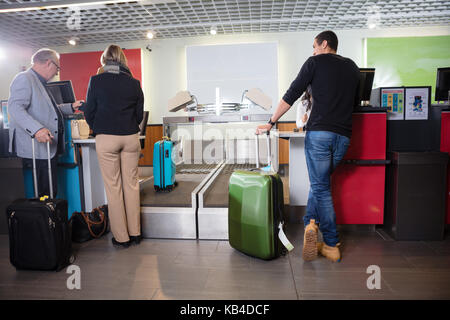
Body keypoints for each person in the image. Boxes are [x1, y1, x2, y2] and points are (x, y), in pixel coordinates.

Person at [257, 30, 360, 262]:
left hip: (320, 134)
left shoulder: (314, 63)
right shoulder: (353, 67)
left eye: (314, 46)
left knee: (321, 187)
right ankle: (310, 225)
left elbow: (291, 94)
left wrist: (271, 121)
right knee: (320, 182)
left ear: (324, 44)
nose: (313, 51)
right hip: (343, 137)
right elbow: (355, 103)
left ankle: (332, 243)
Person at [82, 44, 144, 248]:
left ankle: (122, 237)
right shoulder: (134, 83)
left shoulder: (96, 81)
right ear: (122, 60)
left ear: (104, 60)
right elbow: (138, 115)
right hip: (130, 137)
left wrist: (97, 126)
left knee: (114, 187)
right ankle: (136, 233)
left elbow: (89, 111)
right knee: (132, 185)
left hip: (106, 137)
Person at [8, 48, 84, 197]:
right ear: (49, 63)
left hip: (47, 149)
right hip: (37, 148)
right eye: (57, 67)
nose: (57, 72)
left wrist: (71, 107)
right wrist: (37, 130)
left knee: (50, 192)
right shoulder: (25, 78)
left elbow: (49, 111)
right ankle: (45, 220)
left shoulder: (39, 82)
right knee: (45, 194)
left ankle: (50, 219)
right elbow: (15, 108)